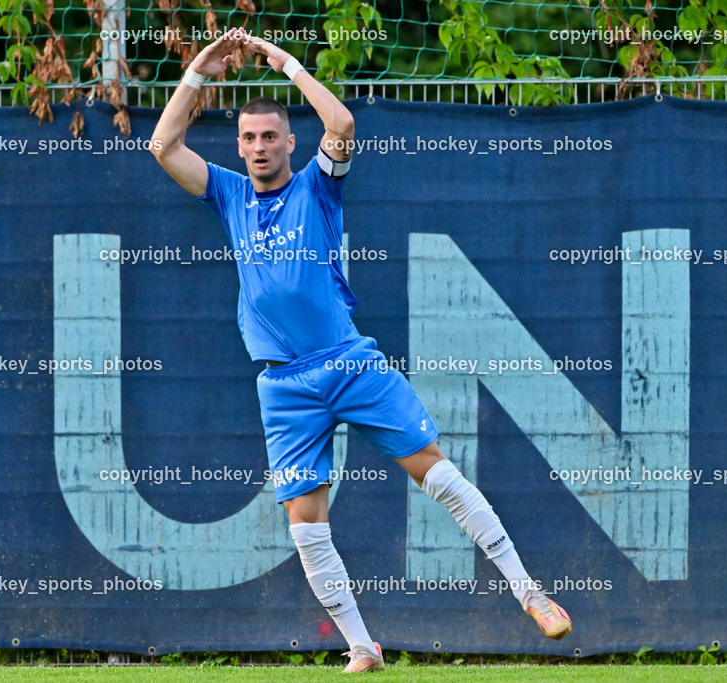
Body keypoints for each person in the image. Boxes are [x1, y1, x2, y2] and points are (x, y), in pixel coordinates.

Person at [150, 27, 572, 673]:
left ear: (289, 142)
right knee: (304, 520)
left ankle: (528, 591)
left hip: (349, 362)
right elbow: (162, 145)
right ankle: (361, 646)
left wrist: (283, 60)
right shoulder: (230, 194)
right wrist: (200, 72)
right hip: (285, 385)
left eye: (270, 136)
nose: (259, 147)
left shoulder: (317, 187)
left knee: (434, 469)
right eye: (249, 138)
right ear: (238, 146)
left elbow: (341, 121)